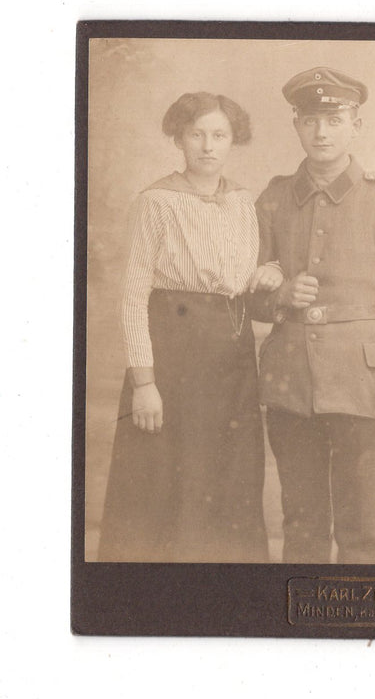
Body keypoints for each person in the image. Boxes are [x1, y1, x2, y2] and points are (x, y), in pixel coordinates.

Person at [250, 67, 375, 564]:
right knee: (302, 522)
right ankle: (301, 627)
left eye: (334, 119)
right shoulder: (272, 199)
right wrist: (281, 296)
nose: (322, 132)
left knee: (361, 526)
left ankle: (358, 631)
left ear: (357, 124)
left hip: (363, 387)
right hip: (292, 385)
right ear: (296, 124)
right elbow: (248, 294)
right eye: (310, 120)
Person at [98, 91, 282, 563]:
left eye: (219, 135)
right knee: (167, 487)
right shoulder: (156, 201)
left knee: (229, 480)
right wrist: (144, 383)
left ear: (232, 140)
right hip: (171, 358)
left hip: (232, 360)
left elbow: (249, 277)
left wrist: (271, 273)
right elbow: (133, 295)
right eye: (196, 134)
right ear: (178, 138)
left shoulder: (244, 202)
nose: (208, 146)